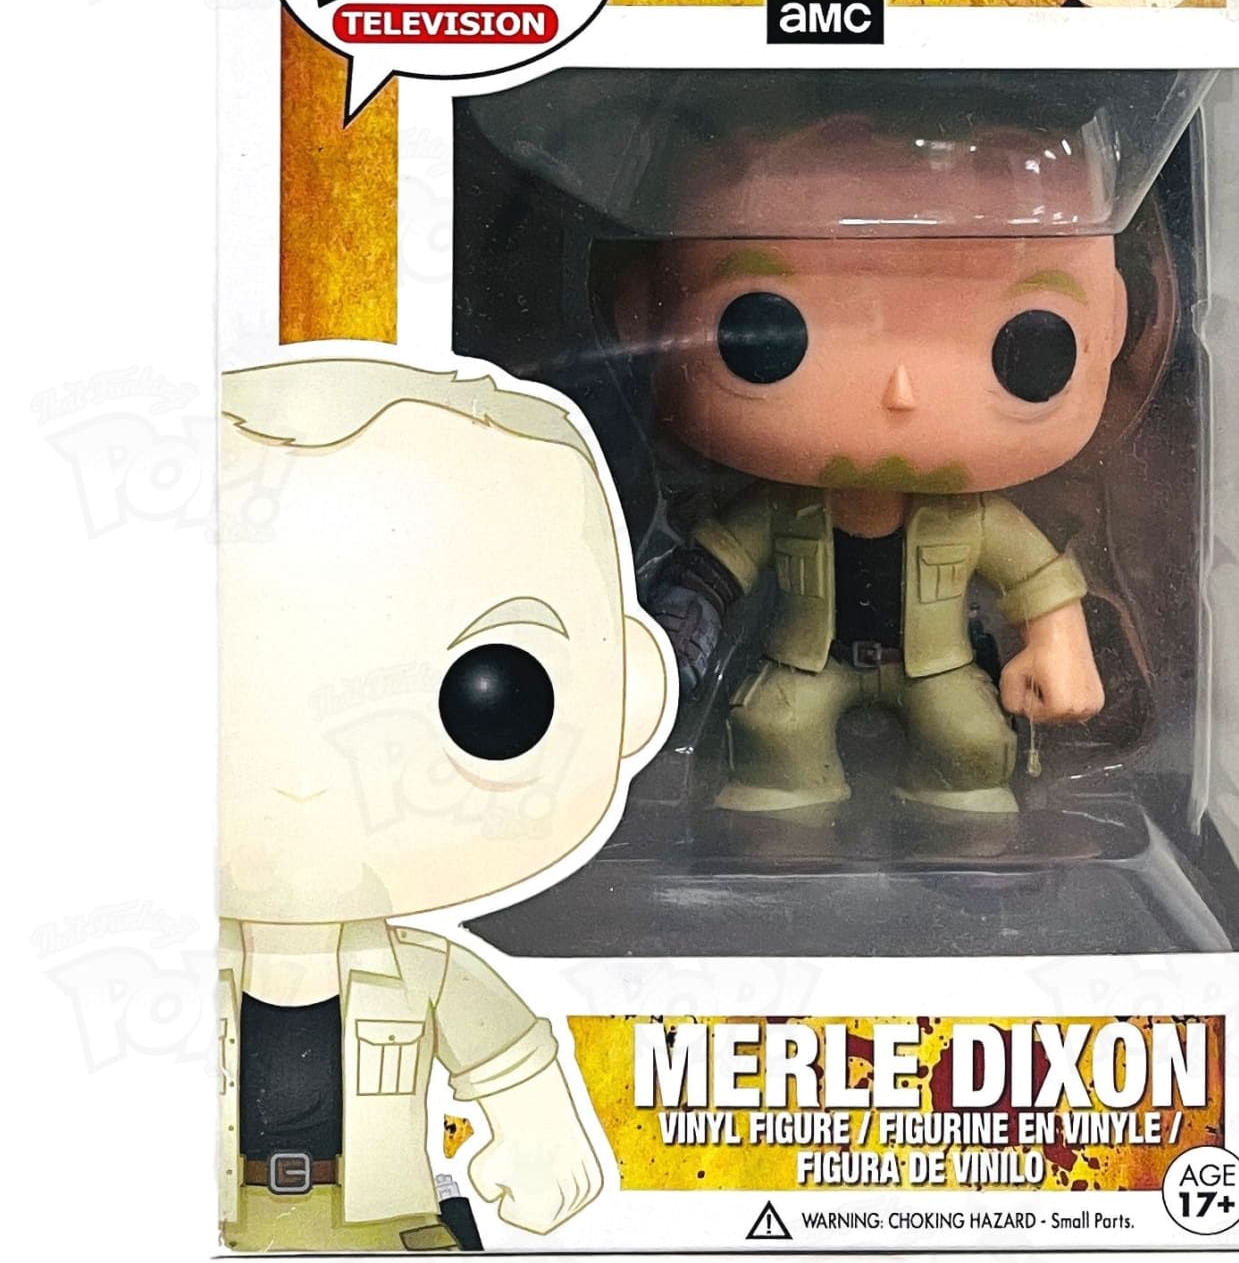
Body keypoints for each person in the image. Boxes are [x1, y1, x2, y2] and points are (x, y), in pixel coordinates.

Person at [218, 357, 669, 1250]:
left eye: (492, 698)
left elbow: (508, 1058)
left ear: (632, 688)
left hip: (384, 1226)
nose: (307, 779)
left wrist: (541, 1138)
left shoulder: (426, 975)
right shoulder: (159, 977)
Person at [621, 117, 1125, 815]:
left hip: (939, 666)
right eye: (764, 335)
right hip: (806, 661)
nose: (901, 392)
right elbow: (714, 566)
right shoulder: (783, 507)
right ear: (644, 317)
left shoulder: (972, 516)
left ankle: (969, 846)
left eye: (1031, 349)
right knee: (773, 734)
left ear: (1112, 326)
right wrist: (673, 634)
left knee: (973, 742)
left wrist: (1061, 641)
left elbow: (1035, 577)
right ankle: (778, 844)